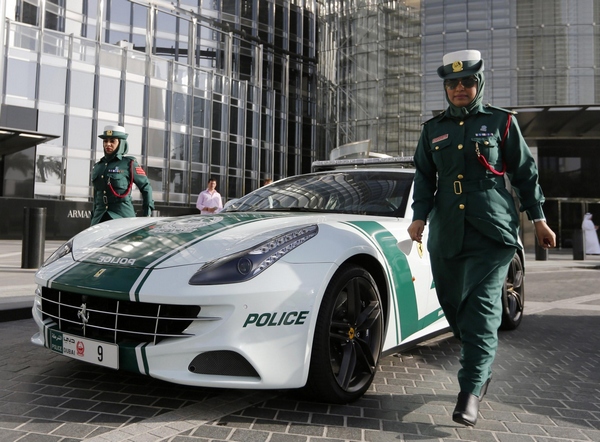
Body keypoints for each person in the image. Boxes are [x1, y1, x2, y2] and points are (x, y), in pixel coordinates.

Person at [407, 50, 556, 427]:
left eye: (467, 82)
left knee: (481, 312)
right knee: (454, 306)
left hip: (492, 230)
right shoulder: (432, 130)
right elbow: (425, 178)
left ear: (479, 83)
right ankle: (480, 361)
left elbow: (525, 173)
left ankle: (471, 388)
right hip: (447, 233)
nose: (460, 88)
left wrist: (537, 219)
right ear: (445, 87)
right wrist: (419, 218)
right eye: (453, 83)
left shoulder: (501, 122)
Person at [91, 125, 154, 225]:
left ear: (121, 143)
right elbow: (96, 195)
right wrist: (93, 216)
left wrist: (147, 213)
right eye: (105, 141)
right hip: (99, 217)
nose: (108, 144)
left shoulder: (129, 163)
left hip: (122, 215)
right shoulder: (98, 166)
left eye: (112, 141)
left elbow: (146, 187)